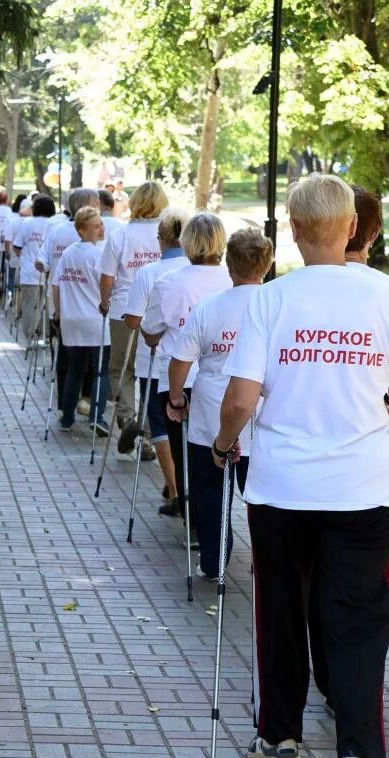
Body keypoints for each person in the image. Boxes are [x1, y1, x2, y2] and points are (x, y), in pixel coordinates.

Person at [212, 174, 389, 758]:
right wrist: (379, 433)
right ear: (351, 228)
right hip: (362, 490)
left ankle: (279, 737)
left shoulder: (271, 301)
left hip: (282, 486)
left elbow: (242, 399)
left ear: (295, 229)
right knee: (358, 620)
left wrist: (226, 442)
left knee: (280, 607)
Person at [165, 227, 273, 577]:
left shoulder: (210, 307)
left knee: (210, 493)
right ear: (267, 265)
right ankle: (268, 559)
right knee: (261, 495)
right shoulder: (277, 306)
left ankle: (213, 560)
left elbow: (181, 359)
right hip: (263, 416)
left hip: (212, 413)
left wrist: (177, 396)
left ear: (229, 266)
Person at [141, 212, 231, 527]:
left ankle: (193, 520)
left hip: (180, 381)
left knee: (186, 455)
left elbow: (150, 331)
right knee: (223, 454)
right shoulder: (233, 281)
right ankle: (217, 522)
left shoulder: (168, 283)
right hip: (226, 380)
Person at [119, 209, 190, 488]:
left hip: (157, 359)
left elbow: (135, 320)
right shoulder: (199, 272)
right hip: (194, 364)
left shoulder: (149, 272)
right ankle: (185, 487)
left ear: (160, 240)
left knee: (160, 425)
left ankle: (174, 489)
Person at [100, 181, 169, 432]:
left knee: (122, 368)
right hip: (157, 311)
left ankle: (127, 418)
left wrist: (104, 302)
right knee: (151, 370)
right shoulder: (168, 236)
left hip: (124, 309)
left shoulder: (120, 235)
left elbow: (107, 276)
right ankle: (150, 430)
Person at [50, 207, 110, 434]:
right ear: (82, 230)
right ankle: (97, 415)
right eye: (96, 226)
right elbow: (105, 283)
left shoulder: (68, 254)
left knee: (74, 370)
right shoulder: (96, 254)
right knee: (99, 371)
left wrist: (58, 312)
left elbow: (56, 285)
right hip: (94, 319)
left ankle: (67, 417)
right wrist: (105, 304)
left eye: (101, 224)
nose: (101, 229)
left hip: (71, 319)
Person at [13, 196, 54, 343]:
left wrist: (24, 255)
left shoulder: (27, 223)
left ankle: (29, 334)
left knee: (29, 304)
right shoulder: (54, 224)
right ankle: (46, 334)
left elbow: (17, 246)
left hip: (29, 271)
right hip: (49, 270)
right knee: (48, 304)